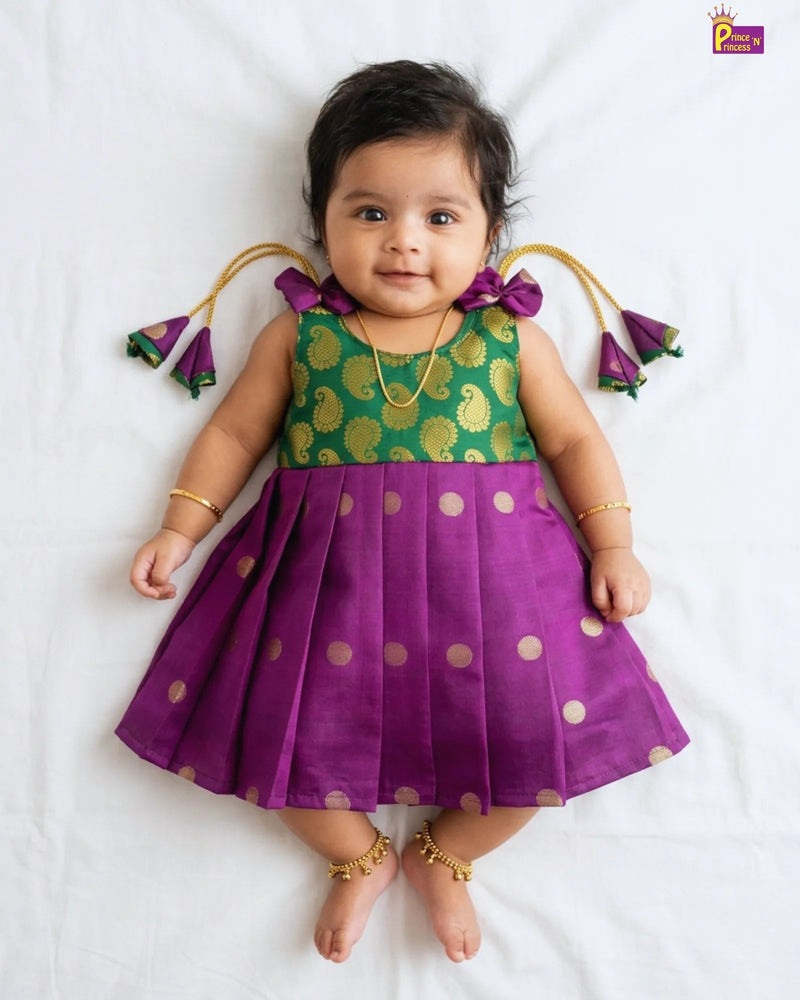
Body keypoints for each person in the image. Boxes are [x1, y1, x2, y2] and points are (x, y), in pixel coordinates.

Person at [116, 60, 689, 965]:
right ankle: (358, 855)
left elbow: (577, 442)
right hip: (327, 598)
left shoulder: (509, 339)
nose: (404, 243)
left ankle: (445, 853)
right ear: (322, 224)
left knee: (543, 739)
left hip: (500, 604)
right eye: (370, 212)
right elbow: (233, 433)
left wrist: (614, 545)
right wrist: (179, 529)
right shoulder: (301, 335)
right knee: (271, 731)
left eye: (441, 218)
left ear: (491, 235)